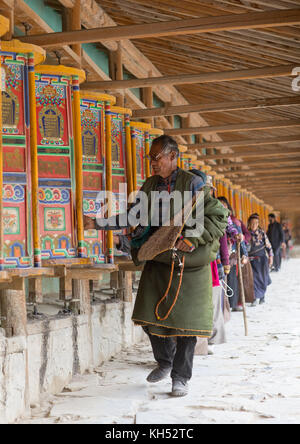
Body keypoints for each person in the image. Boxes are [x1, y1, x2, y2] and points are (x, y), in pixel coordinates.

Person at [84, 135, 229, 397]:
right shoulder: (150, 185)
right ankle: (164, 361)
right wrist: (97, 224)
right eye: (150, 157)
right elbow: (132, 216)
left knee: (187, 326)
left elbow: (219, 217)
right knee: (149, 315)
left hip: (189, 265)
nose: (152, 162)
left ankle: (181, 378)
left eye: (157, 157)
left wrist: (192, 237)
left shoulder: (193, 183)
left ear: (173, 157)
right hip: (160, 258)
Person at [217, 197, 250, 312]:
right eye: (219, 204)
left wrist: (244, 252)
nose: (222, 207)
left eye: (224, 205)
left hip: (230, 254)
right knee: (221, 282)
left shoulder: (232, 220)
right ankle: (224, 306)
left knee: (230, 280)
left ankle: (232, 303)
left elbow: (235, 231)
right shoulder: (211, 214)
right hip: (217, 253)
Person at [248, 214, 273, 305]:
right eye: (252, 223)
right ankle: (254, 298)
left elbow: (268, 246)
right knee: (253, 279)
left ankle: (262, 296)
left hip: (262, 260)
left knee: (263, 278)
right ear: (249, 224)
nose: (254, 225)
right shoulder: (246, 234)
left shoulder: (262, 233)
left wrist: (271, 257)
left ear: (258, 224)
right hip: (251, 260)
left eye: (256, 223)